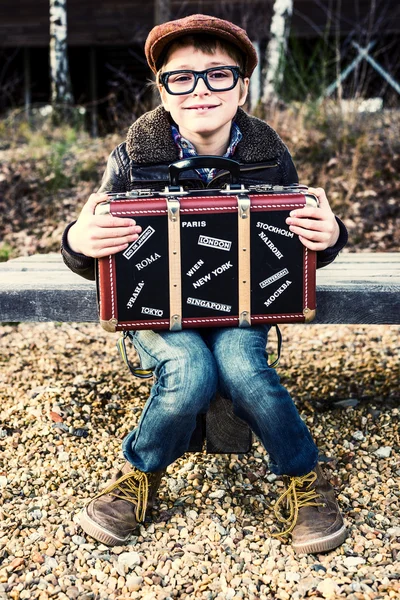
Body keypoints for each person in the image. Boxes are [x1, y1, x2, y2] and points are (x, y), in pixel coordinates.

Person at [61, 14, 349, 554]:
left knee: (243, 367)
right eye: (181, 77)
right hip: (156, 311)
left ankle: (303, 480)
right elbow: (88, 254)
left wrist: (329, 236)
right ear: (162, 91)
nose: (200, 90)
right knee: (189, 370)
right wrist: (80, 238)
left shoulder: (266, 152)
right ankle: (140, 474)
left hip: (242, 306)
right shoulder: (133, 157)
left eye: (219, 75)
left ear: (242, 86)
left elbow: (300, 242)